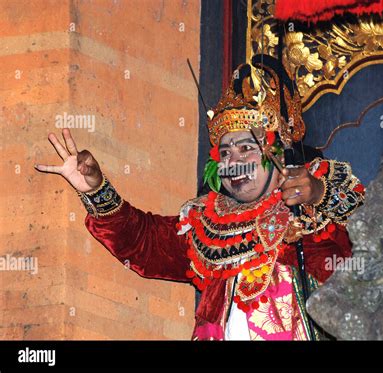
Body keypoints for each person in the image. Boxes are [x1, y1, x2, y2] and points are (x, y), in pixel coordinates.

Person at [35, 55, 365, 340]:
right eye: (225, 152)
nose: (233, 161)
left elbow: (364, 249)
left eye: (246, 148)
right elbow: (143, 243)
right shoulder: (205, 222)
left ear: (277, 151)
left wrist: (317, 195)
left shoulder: (312, 200)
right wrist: (94, 187)